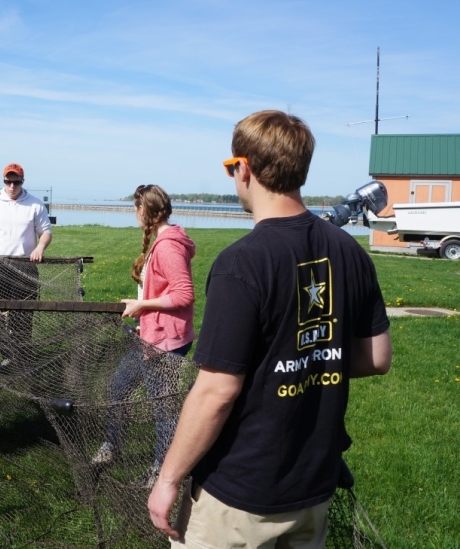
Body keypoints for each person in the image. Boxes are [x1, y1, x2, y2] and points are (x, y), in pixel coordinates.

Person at [148, 110, 393, 547]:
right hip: (314, 487)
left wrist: (168, 479)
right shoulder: (349, 251)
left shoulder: (241, 263)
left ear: (244, 168)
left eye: (230, 168)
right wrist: (311, 360)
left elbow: (216, 392)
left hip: (239, 495)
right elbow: (377, 358)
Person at [92, 184, 196, 487]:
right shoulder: (163, 241)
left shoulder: (168, 245)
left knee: (162, 410)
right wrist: (145, 312)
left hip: (165, 342)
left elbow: (184, 294)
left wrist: (143, 305)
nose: (135, 214)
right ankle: (112, 447)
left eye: (135, 209)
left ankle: (161, 474)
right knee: (117, 389)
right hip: (151, 336)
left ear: (144, 210)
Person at [0, 163, 52, 366]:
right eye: (8, 181)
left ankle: (23, 355)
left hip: (25, 267)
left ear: (22, 182)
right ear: (3, 181)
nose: (12, 186)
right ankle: (6, 356)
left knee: (23, 315)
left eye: (16, 182)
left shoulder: (34, 205)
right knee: (0, 313)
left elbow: (46, 232)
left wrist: (40, 247)